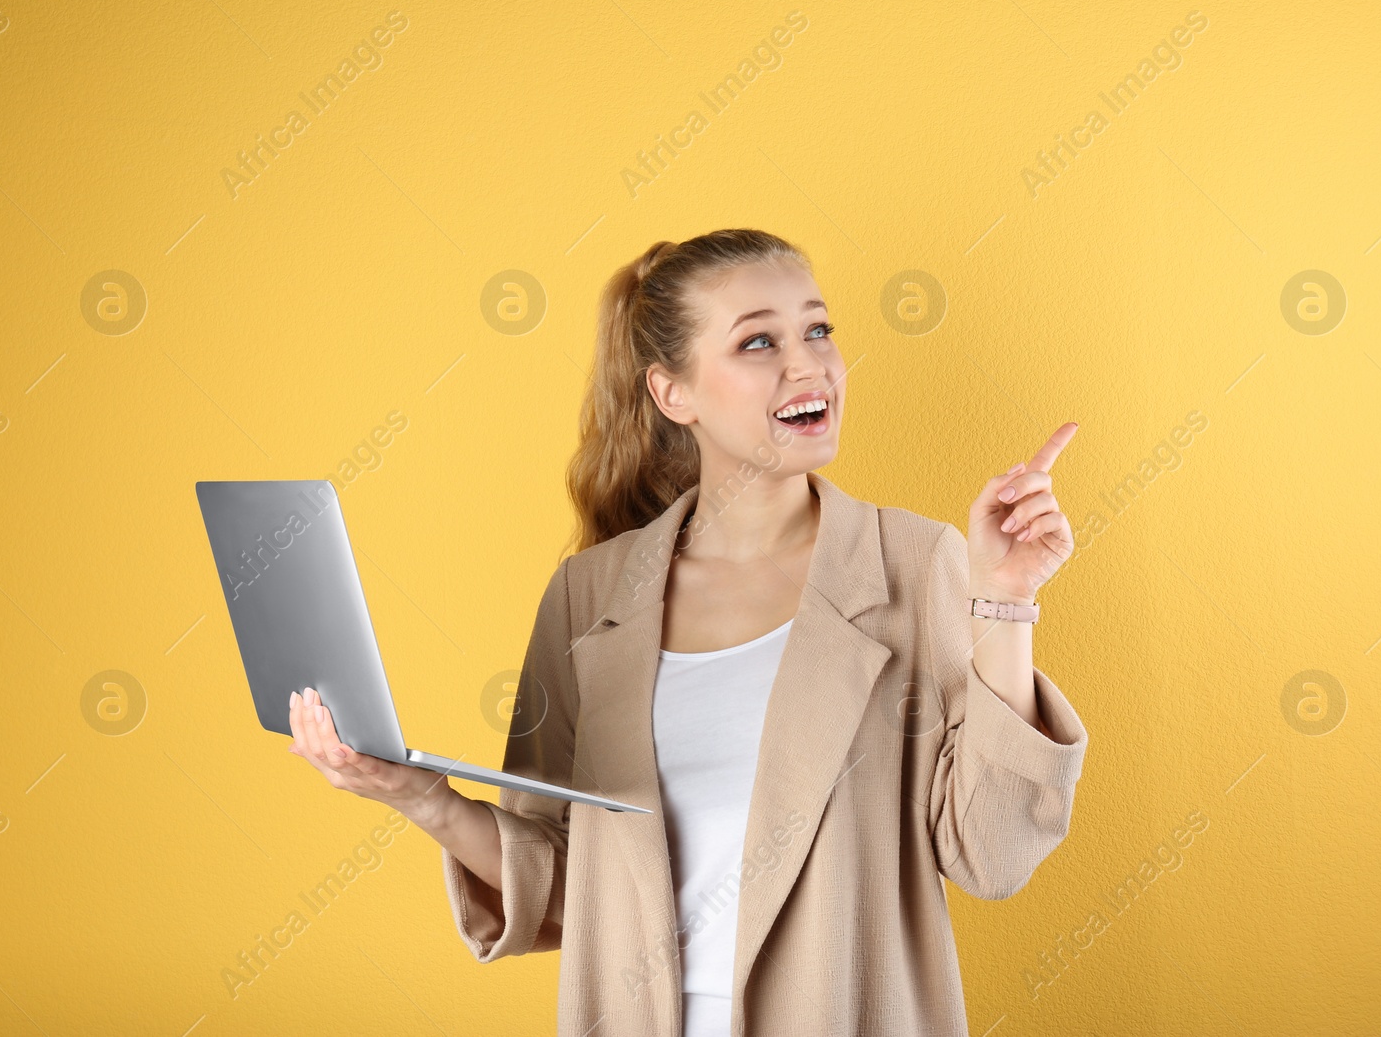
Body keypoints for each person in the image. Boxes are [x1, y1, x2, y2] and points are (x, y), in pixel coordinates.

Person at [287, 228, 1089, 1036]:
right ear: (674, 394)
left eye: (817, 329)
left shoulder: (917, 565)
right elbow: (569, 884)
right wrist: (416, 795)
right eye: (758, 342)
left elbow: (991, 854)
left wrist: (1004, 599)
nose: (807, 363)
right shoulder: (588, 596)